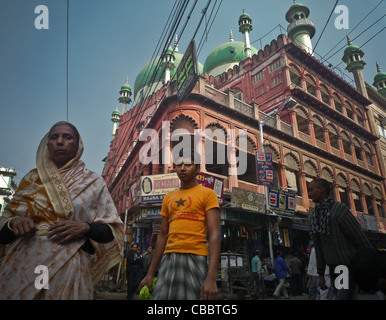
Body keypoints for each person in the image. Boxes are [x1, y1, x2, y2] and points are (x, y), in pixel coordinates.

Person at [0, 121, 124, 300]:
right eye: (54, 137)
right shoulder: (31, 180)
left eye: (67, 137)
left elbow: (110, 231)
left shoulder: (93, 182)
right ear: (47, 144)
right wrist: (13, 223)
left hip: (69, 264)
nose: (60, 141)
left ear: (78, 145)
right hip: (25, 263)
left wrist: (86, 228)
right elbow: (4, 228)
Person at [139, 150, 220, 300]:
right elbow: (163, 235)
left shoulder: (208, 194)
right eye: (178, 165)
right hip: (169, 258)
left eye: (188, 164)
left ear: (197, 169)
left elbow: (215, 234)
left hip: (196, 257)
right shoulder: (168, 197)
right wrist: (150, 273)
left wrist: (212, 277)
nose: (182, 168)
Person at [308, 178, 373, 300]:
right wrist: (321, 274)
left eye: (311, 190)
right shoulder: (315, 216)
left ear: (321, 190)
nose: (309, 193)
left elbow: (359, 238)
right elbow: (319, 248)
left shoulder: (339, 210)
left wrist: (373, 263)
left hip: (345, 266)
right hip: (332, 268)